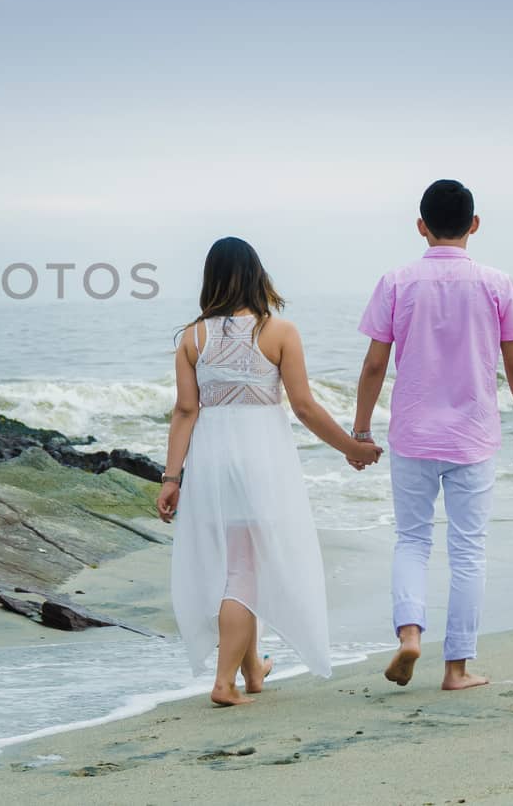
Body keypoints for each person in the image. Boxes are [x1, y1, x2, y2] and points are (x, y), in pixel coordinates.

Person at [158, 237, 382, 707]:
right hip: (261, 460)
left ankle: (253, 670)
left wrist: (171, 478)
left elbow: (184, 411)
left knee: (239, 560)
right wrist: (351, 447)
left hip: (212, 461)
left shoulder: (192, 338)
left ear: (211, 279)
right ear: (258, 276)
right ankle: (224, 683)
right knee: (243, 568)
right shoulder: (279, 331)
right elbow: (303, 406)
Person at [353, 179, 513, 691]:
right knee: (468, 549)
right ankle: (456, 668)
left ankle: (410, 634)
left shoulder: (396, 282)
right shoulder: (497, 283)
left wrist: (361, 428)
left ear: (421, 227)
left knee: (411, 540)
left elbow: (373, 364)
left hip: (412, 433)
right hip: (472, 437)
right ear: (474, 225)